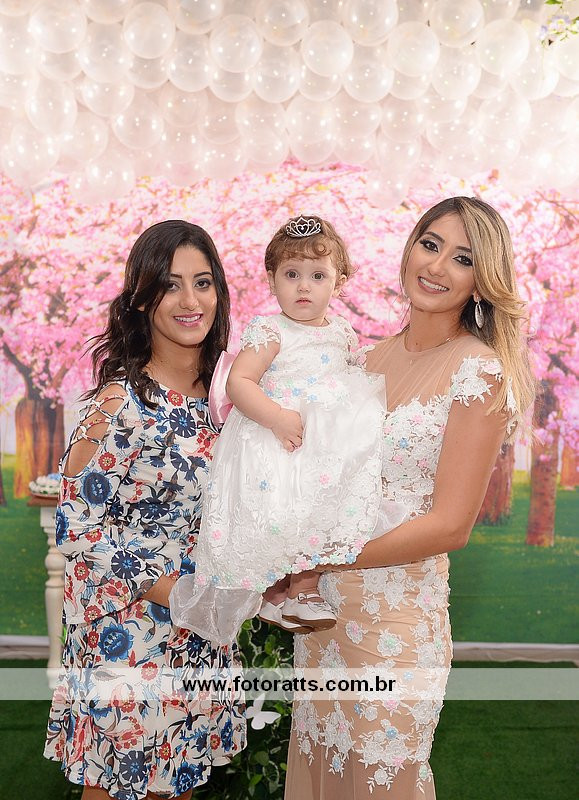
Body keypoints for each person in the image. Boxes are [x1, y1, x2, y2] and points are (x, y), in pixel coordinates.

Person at [284, 197, 535, 799]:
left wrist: (322, 556)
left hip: (396, 626)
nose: (438, 266)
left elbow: (450, 526)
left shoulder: (479, 372)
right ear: (409, 248)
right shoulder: (364, 359)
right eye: (430, 244)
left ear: (482, 280)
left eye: (463, 258)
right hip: (324, 622)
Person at [43, 220, 246, 800]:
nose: (190, 300)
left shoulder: (229, 400)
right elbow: (77, 527)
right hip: (130, 636)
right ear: (141, 299)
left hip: (200, 634)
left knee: (177, 785)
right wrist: (173, 590)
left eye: (202, 282)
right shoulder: (120, 403)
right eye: (170, 284)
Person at [170, 215, 407, 645]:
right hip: (277, 436)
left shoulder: (342, 332)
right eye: (291, 274)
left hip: (321, 442)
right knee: (285, 511)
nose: (303, 287)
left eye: (318, 276)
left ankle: (297, 590)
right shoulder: (271, 330)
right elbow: (240, 381)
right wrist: (276, 417)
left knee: (319, 507)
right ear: (271, 279)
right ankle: (285, 590)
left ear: (339, 283)